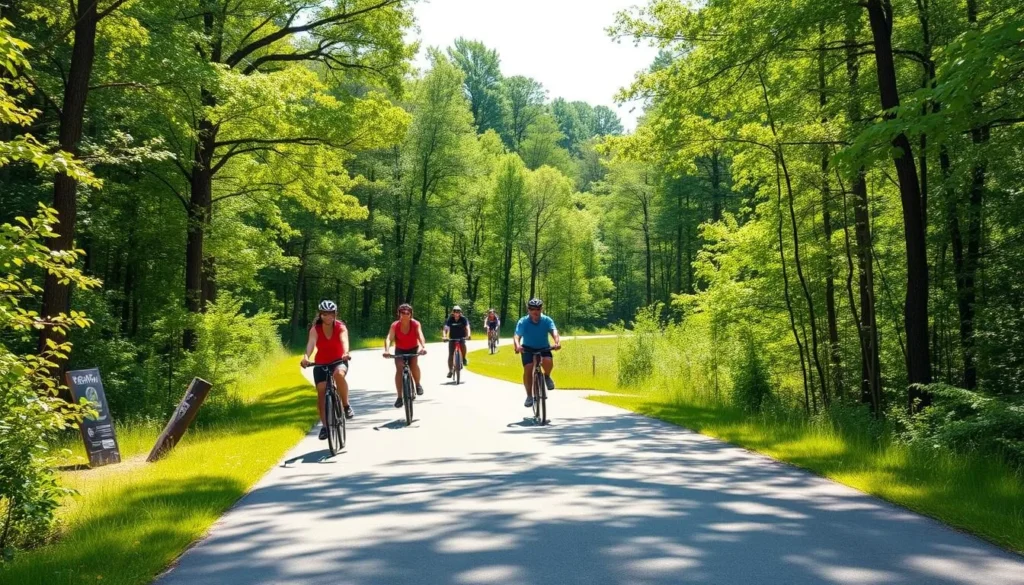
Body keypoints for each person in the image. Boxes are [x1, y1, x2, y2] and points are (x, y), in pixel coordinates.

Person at [300, 300, 353, 440]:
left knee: (338, 374)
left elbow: (344, 340)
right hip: (321, 363)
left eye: (331, 314)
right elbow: (311, 344)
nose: (328, 316)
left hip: (339, 360)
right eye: (324, 314)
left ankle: (346, 405)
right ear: (320, 315)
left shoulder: (341, 327)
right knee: (321, 391)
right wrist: (306, 357)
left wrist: (346, 353)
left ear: (335, 314)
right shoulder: (315, 329)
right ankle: (324, 426)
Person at [513, 298, 561, 408]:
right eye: (532, 309)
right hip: (527, 349)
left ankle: (547, 376)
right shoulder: (523, 321)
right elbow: (517, 336)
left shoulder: (546, 320)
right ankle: (529, 396)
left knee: (548, 361)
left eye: (538, 309)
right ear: (528, 310)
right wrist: (517, 346)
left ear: (541, 309)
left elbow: (554, 331)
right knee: (528, 368)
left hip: (544, 347)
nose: (535, 311)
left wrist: (557, 342)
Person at [383, 303, 427, 408]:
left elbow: (420, 335)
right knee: (399, 369)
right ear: (399, 314)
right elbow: (389, 337)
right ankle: (399, 397)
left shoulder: (415, 324)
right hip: (400, 350)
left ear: (411, 314)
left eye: (408, 312)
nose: (405, 314)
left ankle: (417, 384)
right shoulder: (395, 325)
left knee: (414, 364)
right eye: (403, 312)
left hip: (413, 348)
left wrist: (423, 347)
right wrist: (387, 350)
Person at [442, 305, 471, 378]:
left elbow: (467, 327)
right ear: (453, 312)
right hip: (452, 338)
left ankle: (464, 358)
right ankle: (450, 370)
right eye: (455, 311)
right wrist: (445, 336)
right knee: (451, 354)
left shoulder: (463, 319)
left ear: (460, 312)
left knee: (463, 345)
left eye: (458, 311)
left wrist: (469, 335)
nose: (456, 313)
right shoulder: (450, 319)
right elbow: (445, 328)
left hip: (461, 337)